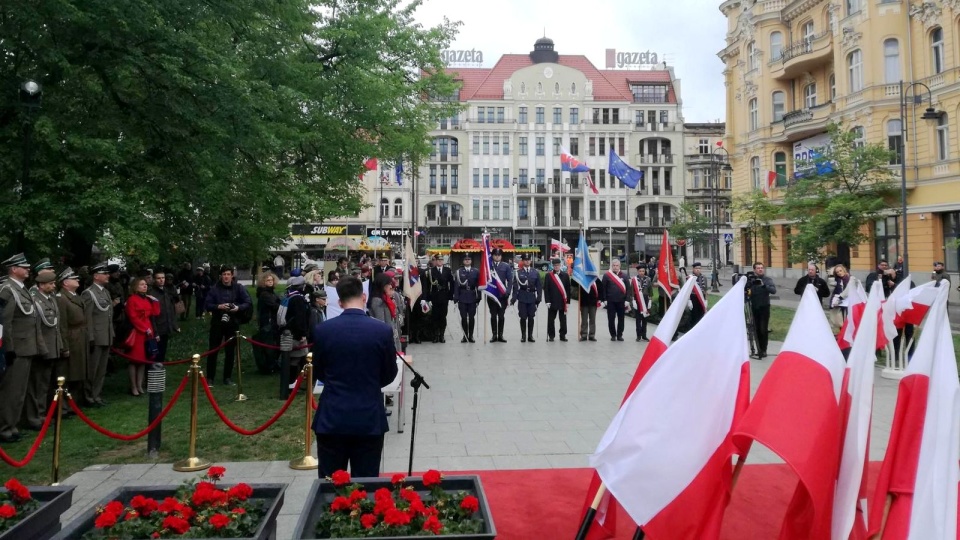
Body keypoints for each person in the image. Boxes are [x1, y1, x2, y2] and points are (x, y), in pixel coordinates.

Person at [311, 276, 398, 478]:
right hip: (368, 416)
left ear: (340, 302)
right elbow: (389, 373)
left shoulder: (324, 330)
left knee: (331, 484)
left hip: (332, 415)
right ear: (364, 297)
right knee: (366, 483)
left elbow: (319, 370)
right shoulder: (382, 330)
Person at [0, 254, 46, 443]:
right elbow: (5, 322)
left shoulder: (21, 289)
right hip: (16, 348)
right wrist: (8, 349)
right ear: (13, 269)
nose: (28, 270)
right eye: (24, 267)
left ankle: (13, 425)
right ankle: (4, 428)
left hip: (27, 346)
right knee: (11, 390)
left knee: (20, 391)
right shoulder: (7, 290)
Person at [24, 269, 63, 430]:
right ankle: (35, 416)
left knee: (45, 383)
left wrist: (59, 345)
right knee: (37, 384)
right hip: (42, 349)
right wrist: (42, 348)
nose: (53, 286)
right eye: (50, 283)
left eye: (54, 283)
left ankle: (42, 413)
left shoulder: (50, 299)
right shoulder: (35, 300)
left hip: (52, 346)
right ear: (41, 285)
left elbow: (56, 326)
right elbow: (37, 328)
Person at [204, 266, 252, 386]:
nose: (226, 277)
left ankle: (227, 377)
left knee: (230, 351)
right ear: (221, 276)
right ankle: (210, 377)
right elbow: (207, 304)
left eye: (228, 274)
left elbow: (247, 302)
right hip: (217, 321)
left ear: (232, 275)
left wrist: (237, 308)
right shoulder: (214, 288)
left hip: (233, 322)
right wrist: (218, 306)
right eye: (224, 274)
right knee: (213, 350)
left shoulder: (239, 288)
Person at [82, 262, 115, 408]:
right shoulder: (88, 293)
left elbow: (108, 315)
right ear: (96, 276)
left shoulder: (105, 292)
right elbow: (87, 317)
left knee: (101, 369)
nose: (108, 275)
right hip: (95, 336)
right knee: (92, 369)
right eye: (104, 273)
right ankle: (88, 396)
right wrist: (90, 337)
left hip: (106, 335)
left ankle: (96, 394)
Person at [56, 268, 88, 408]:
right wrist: (65, 346)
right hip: (71, 337)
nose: (77, 280)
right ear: (65, 283)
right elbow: (62, 324)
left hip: (80, 336)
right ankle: (64, 406)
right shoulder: (62, 298)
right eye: (74, 278)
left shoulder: (75, 295)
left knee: (77, 372)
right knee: (67, 373)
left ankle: (74, 403)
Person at [124, 277, 160, 396]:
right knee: (135, 360)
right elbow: (133, 317)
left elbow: (155, 313)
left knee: (143, 360)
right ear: (135, 287)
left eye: (145, 284)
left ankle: (140, 385)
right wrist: (145, 329)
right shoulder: (132, 300)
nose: (145, 286)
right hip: (138, 331)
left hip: (148, 331)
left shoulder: (147, 299)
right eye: (141, 284)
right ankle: (133, 386)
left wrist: (155, 301)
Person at [283, 276, 311, 385]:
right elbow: (300, 318)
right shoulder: (298, 299)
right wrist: (302, 334)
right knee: (295, 359)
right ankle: (291, 383)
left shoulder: (288, 296)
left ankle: (292, 382)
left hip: (287, 331)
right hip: (295, 333)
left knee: (293, 359)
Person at [746, 262, 777, 359]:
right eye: (758, 268)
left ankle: (763, 350)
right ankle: (758, 349)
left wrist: (764, 286)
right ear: (754, 270)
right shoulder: (751, 280)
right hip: (754, 307)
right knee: (756, 329)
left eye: (761, 268)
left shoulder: (767, 280)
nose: (760, 269)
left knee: (763, 329)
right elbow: (746, 290)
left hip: (764, 307)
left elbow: (773, 290)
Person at [253, 272, 281, 374]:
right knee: (269, 345)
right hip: (268, 322)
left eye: (271, 280)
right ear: (263, 282)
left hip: (272, 321)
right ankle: (269, 366)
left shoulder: (271, 292)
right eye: (268, 280)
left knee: (273, 344)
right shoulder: (265, 294)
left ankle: (272, 364)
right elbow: (275, 305)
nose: (270, 282)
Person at [149, 270, 179, 363]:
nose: (161, 280)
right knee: (154, 354)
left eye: (163, 278)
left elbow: (170, 310)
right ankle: (152, 374)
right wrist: (155, 331)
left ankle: (159, 371)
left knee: (162, 352)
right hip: (156, 327)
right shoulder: (151, 293)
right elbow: (151, 314)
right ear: (154, 279)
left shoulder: (166, 291)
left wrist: (174, 325)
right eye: (159, 278)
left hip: (166, 326)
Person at [511, 254, 542, 343]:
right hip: (522, 297)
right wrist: (514, 298)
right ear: (523, 261)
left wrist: (539, 297)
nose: (527, 261)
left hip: (532, 297)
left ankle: (530, 336)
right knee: (523, 317)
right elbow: (515, 287)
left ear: (530, 261)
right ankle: (523, 335)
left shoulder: (535, 272)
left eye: (528, 260)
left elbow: (539, 286)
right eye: (525, 260)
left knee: (531, 317)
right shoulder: (518, 272)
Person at [369, 274, 403, 353]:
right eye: (388, 284)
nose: (390, 287)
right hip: (386, 337)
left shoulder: (386, 298)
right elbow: (380, 322)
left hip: (392, 332)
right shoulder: (377, 300)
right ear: (382, 286)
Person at [425, 255, 453, 343]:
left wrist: (451, 295)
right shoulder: (431, 271)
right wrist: (427, 297)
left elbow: (452, 283)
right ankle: (435, 335)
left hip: (444, 295)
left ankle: (442, 335)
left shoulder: (447, 270)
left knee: (443, 316)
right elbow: (428, 285)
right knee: (435, 316)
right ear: (435, 261)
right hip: (435, 296)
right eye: (438, 260)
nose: (440, 261)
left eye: (442, 260)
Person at [599, 259, 629, 341]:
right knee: (611, 319)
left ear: (620, 266)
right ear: (611, 266)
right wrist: (604, 299)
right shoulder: (607, 276)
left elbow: (629, 289)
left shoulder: (624, 276)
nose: (615, 267)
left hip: (621, 301)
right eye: (614, 265)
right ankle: (613, 335)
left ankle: (620, 335)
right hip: (610, 301)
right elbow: (603, 289)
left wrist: (627, 300)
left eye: (617, 265)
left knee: (621, 319)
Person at [488, 248, 513, 343]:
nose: (497, 256)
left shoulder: (505, 266)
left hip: (502, 295)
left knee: (501, 316)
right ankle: (494, 335)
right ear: (493, 256)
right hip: (492, 295)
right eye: (495, 255)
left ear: (501, 256)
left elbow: (510, 280)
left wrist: (508, 292)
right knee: (493, 316)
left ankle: (501, 335)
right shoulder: (489, 266)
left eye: (499, 255)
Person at [453, 254, 480, 343]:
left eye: (469, 259)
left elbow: (478, 285)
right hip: (462, 297)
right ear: (463, 261)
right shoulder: (458, 271)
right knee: (464, 317)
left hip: (472, 296)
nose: (467, 261)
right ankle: (465, 336)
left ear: (471, 261)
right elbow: (456, 286)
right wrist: (456, 297)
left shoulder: (476, 271)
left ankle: (471, 336)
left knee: (472, 317)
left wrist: (478, 297)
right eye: (465, 259)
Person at [543, 258, 571, 342]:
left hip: (562, 301)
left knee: (563, 320)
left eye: (558, 265)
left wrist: (568, 301)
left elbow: (568, 289)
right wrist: (547, 301)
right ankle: (551, 335)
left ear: (560, 265)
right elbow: (546, 289)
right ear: (552, 266)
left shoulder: (565, 275)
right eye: (554, 265)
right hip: (552, 301)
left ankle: (562, 335)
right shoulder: (549, 275)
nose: (556, 267)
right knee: (551, 320)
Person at [629, 266, 651, 341]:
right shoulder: (634, 280)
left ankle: (644, 335)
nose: (641, 272)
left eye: (643, 271)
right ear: (638, 272)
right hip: (637, 300)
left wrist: (650, 300)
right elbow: (631, 291)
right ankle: (638, 335)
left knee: (645, 318)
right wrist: (633, 300)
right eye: (640, 271)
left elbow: (650, 290)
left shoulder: (648, 279)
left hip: (645, 300)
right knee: (638, 319)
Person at [687, 262, 708, 329]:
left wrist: (706, 300)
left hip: (701, 298)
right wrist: (688, 300)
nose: (698, 270)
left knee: (701, 315)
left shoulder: (704, 277)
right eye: (696, 268)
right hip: (693, 298)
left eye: (699, 268)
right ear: (693, 269)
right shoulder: (690, 278)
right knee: (694, 316)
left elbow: (705, 290)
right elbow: (687, 290)